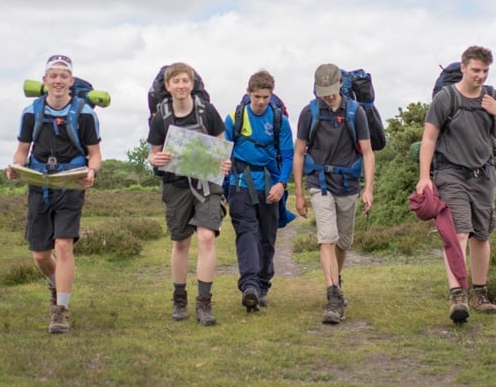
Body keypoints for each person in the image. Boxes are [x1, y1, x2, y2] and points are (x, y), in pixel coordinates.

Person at [5, 54, 102, 334]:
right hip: (39, 185)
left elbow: (94, 155)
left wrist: (91, 172)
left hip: (70, 186)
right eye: (53, 76)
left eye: (63, 76)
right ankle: (56, 284)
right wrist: (15, 168)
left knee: (63, 246)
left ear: (71, 81)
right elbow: (22, 151)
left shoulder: (85, 114)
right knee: (39, 255)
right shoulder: (30, 112)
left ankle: (61, 310)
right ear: (45, 81)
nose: (58, 81)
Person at [415, 45, 496, 324]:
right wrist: (425, 177)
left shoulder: (494, 97)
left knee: (481, 235)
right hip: (450, 173)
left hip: (484, 174)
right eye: (476, 70)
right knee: (458, 234)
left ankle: (480, 293)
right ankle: (457, 294)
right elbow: (429, 139)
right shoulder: (446, 99)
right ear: (463, 68)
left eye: (485, 71)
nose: (480, 76)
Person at [147, 62, 231, 326]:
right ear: (168, 86)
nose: (181, 86)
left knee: (206, 238)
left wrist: (225, 162)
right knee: (181, 243)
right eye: (176, 82)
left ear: (192, 84)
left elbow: (221, 141)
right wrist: (155, 159)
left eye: (185, 81)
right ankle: (179, 298)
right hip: (176, 185)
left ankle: (204, 304)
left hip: (207, 183)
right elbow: (152, 153)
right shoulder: (160, 116)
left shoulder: (207, 111)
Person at [293, 63, 375, 325]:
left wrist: (369, 188)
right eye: (322, 91)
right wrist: (299, 193)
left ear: (340, 85)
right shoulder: (310, 112)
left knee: (343, 242)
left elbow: (368, 152)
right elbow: (299, 153)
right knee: (326, 238)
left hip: (348, 184)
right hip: (320, 182)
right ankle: (332, 296)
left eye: (331, 90)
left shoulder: (355, 112)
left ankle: (336, 282)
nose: (327, 96)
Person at [224, 70, 294, 312]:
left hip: (270, 185)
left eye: (265, 96)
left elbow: (287, 155)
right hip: (240, 184)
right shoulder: (234, 118)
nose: (261, 101)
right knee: (246, 233)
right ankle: (250, 286)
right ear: (248, 93)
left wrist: (281, 183)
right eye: (257, 96)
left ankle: (263, 285)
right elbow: (223, 153)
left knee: (267, 238)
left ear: (271, 95)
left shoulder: (279, 121)